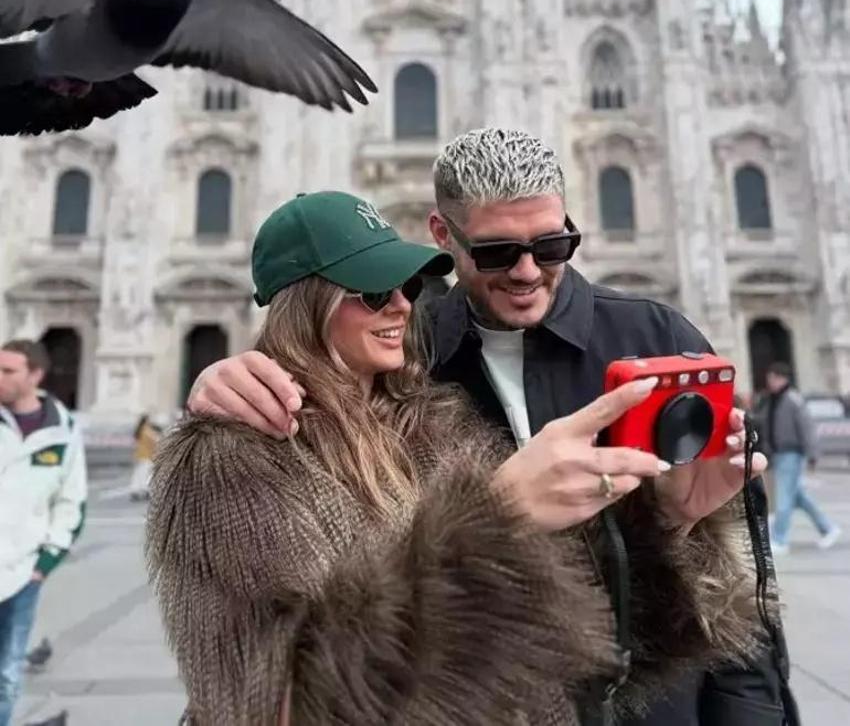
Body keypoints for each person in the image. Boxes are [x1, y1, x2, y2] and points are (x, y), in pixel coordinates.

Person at [187, 129, 794, 726]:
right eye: (497, 252)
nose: (528, 272)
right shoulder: (415, 368)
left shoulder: (658, 340)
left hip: (654, 702)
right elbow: (272, 681)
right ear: (443, 236)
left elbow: (740, 595)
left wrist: (672, 526)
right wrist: (225, 380)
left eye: (553, 246)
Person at [0, 340, 87, 726]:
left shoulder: (63, 429)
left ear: (35, 374)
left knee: (7, 670)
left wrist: (45, 561)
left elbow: (73, 499)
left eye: (7, 371)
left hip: (22, 572)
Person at [764, 361, 841, 555]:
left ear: (781, 378)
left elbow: (807, 428)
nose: (769, 382)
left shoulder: (792, 399)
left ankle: (780, 540)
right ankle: (828, 528)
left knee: (783, 498)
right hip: (779, 454)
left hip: (791, 453)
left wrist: (813, 454)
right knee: (798, 497)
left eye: (772, 378)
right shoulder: (775, 399)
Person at [129, 413, 162, 502]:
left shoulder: (139, 430)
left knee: (138, 473)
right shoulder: (147, 431)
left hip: (140, 455)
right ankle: (145, 490)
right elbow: (155, 441)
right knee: (146, 474)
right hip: (146, 456)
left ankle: (135, 489)